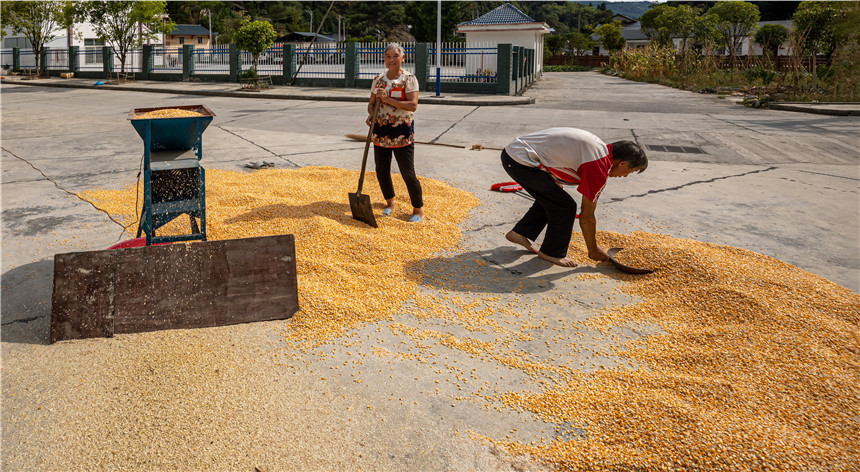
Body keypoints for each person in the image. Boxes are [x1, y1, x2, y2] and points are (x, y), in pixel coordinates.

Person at [501, 128, 648, 267]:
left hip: (516, 154)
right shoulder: (598, 166)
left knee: (553, 197)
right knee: (565, 206)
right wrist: (593, 250)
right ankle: (551, 252)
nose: (625, 176)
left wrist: (552, 179)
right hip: (519, 160)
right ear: (622, 163)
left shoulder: (600, 150)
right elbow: (587, 217)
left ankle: (520, 233)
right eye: (629, 172)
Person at [366, 42, 424, 223]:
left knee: (407, 172)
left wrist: (387, 99)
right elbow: (371, 104)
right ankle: (390, 202)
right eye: (388, 56)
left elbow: (412, 105)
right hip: (381, 130)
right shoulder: (378, 80)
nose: (391, 60)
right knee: (381, 170)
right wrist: (371, 115)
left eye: (395, 56)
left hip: (402, 131)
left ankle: (418, 209)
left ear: (403, 58)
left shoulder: (409, 79)